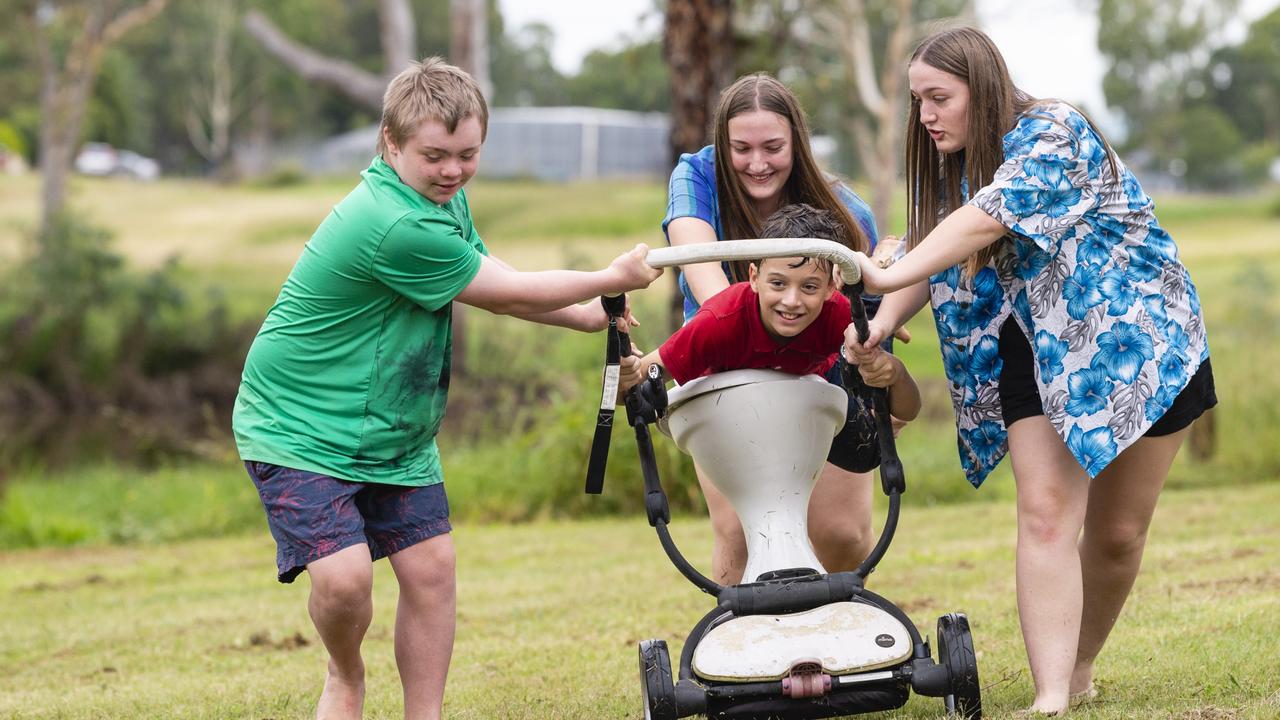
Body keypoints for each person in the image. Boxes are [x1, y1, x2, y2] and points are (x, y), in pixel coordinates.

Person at [231, 58, 661, 720]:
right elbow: (508, 290)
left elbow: (492, 278)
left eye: (467, 155)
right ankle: (345, 677)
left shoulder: (441, 201)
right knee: (345, 583)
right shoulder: (392, 221)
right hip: (300, 427)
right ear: (390, 143)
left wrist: (588, 314)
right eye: (434, 156)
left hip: (394, 428)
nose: (452, 171)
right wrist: (608, 276)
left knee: (432, 571)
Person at [846, 27, 1217, 716]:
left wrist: (885, 269)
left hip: (1140, 340)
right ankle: (1051, 697)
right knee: (1045, 515)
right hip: (1035, 350)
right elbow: (936, 246)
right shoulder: (954, 161)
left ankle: (1077, 668)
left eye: (938, 98)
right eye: (917, 100)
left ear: (980, 90)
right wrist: (879, 321)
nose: (925, 115)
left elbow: (986, 221)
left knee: (1117, 536)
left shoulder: (1054, 133)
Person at [663, 71, 897, 585]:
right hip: (724, 362)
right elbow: (702, 271)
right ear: (722, 146)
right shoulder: (696, 177)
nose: (757, 163)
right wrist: (754, 322)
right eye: (741, 149)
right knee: (742, 531)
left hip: (819, 372)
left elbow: (872, 316)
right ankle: (743, 650)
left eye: (773, 147)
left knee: (841, 534)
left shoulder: (845, 212)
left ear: (798, 143)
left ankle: (825, 633)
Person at [626, 204, 920, 452]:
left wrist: (894, 371)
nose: (791, 301)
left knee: (868, 448)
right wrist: (623, 374)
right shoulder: (720, 321)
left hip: (804, 390)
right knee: (732, 520)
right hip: (727, 409)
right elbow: (639, 379)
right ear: (754, 277)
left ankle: (881, 267)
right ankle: (880, 264)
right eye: (778, 283)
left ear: (832, 287)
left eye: (809, 286)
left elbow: (905, 411)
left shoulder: (836, 315)